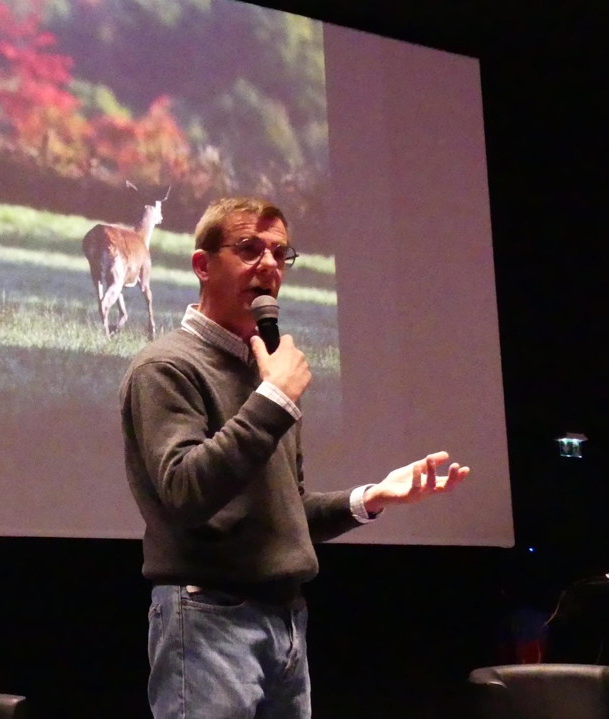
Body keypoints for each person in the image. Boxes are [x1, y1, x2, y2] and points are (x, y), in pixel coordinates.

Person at [118, 197, 469, 719]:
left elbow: (285, 511)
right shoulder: (166, 367)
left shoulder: (268, 374)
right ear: (202, 265)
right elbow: (185, 491)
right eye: (249, 248)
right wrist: (273, 400)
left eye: (280, 253)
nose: (268, 265)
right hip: (208, 614)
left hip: (286, 620)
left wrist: (370, 497)